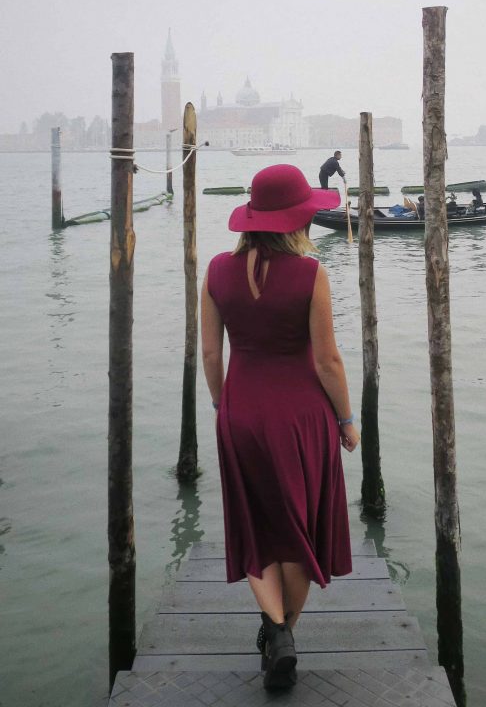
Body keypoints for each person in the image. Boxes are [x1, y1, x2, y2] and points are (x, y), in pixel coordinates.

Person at [201, 163, 360, 691]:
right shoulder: (312, 274)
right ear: (297, 220)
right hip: (301, 419)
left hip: (241, 414)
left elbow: (208, 352)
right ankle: (284, 633)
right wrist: (346, 420)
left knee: (256, 527)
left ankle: (275, 633)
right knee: (298, 531)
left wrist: (227, 408)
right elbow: (327, 361)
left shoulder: (217, 271)